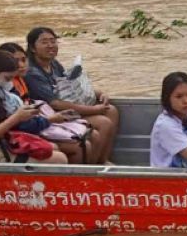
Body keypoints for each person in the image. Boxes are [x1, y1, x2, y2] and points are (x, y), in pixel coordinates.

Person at [24, 27, 119, 164]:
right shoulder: (32, 73)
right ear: (33, 48)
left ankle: (103, 159)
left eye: (53, 41)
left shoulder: (54, 64)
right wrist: (93, 110)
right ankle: (93, 167)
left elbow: (69, 85)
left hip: (67, 107)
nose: (50, 45)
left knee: (111, 111)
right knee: (104, 123)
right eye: (44, 42)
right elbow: (55, 103)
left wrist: (99, 93)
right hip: (55, 114)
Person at [0, 43, 98, 164]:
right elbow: (21, 125)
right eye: (15, 61)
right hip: (24, 133)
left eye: (23, 60)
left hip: (38, 123)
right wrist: (51, 119)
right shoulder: (7, 89)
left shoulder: (21, 80)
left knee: (93, 134)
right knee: (82, 145)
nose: (21, 65)